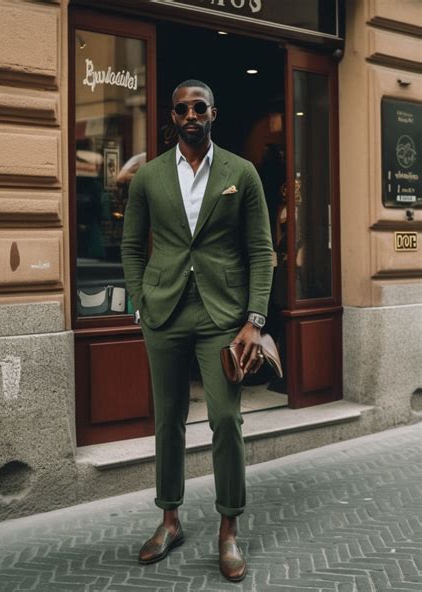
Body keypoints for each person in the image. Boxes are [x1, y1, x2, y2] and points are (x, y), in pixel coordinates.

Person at [121, 80, 273, 582]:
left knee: (226, 421)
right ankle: (170, 519)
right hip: (163, 311)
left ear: (213, 113)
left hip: (221, 316)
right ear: (173, 115)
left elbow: (260, 251)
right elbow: (129, 245)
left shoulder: (241, 173)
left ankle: (228, 529)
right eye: (182, 107)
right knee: (168, 420)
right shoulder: (148, 176)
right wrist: (139, 300)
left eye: (199, 106)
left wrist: (254, 320)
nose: (191, 114)